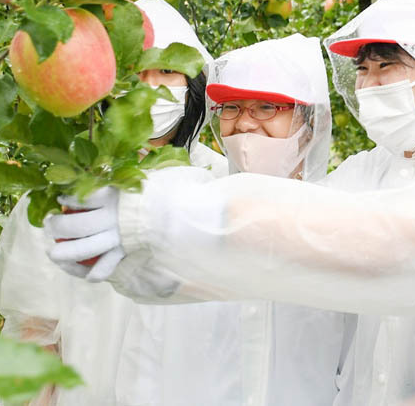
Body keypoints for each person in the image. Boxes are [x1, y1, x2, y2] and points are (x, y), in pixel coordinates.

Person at [46, 0, 415, 405]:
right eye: (363, 70)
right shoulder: (369, 173)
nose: (371, 85)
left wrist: (161, 216)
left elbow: (380, 240)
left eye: (389, 67)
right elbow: (281, 247)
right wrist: (155, 266)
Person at [0, 0, 227, 405]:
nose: (151, 88)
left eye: (168, 71)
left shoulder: (221, 181)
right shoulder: (64, 187)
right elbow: (34, 334)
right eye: (136, 72)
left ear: (193, 86)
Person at [114, 34, 345, 405]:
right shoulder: (197, 218)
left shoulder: (344, 223)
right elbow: (146, 354)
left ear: (309, 120)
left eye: (266, 107)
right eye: (232, 108)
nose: (245, 123)